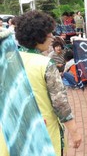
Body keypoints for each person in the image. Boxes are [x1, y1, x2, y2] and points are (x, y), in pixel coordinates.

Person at [2, 10, 81, 156]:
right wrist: (74, 131)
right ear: (37, 36)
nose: (52, 37)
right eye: (49, 33)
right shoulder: (45, 64)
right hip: (43, 131)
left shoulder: (7, 59)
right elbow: (60, 104)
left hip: (13, 130)